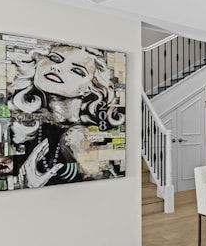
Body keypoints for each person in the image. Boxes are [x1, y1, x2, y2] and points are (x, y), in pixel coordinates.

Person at [8, 44, 125, 188]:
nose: (57, 68)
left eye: (77, 70)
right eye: (54, 59)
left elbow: (107, 188)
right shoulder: (24, 126)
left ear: (90, 88)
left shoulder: (80, 138)